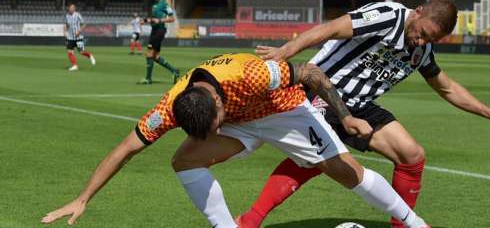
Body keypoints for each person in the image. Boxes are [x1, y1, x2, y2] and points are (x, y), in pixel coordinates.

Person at [41, 53, 431, 228]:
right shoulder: (168, 109)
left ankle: (413, 223)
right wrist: (83, 197)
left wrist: (345, 117)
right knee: (184, 160)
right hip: (241, 124)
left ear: (216, 102)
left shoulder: (251, 74)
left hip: (285, 111)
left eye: (214, 124)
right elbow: (125, 149)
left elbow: (311, 73)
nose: (213, 132)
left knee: (346, 172)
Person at [237, 0, 490, 228]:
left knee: (412, 156)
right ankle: (249, 220)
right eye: (423, 33)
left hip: (361, 105)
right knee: (314, 160)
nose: (422, 41)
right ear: (418, 12)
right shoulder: (388, 15)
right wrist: (286, 51)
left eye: (432, 40)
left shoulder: (421, 51)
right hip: (322, 91)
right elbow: (331, 28)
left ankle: (402, 223)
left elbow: (447, 88)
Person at [138, 0, 179, 84]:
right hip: (154, 30)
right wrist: (145, 20)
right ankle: (174, 71)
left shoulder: (164, 4)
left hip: (160, 30)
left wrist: (160, 20)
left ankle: (148, 79)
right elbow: (154, 19)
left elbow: (172, 18)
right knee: (155, 56)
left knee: (149, 53)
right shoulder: (154, 6)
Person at [64, 3, 96, 71]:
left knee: (81, 52)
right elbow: (67, 25)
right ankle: (75, 66)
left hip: (78, 37)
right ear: (69, 9)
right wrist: (65, 31)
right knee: (70, 52)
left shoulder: (78, 15)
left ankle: (90, 56)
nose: (72, 9)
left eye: (73, 8)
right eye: (70, 8)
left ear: (74, 9)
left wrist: (79, 31)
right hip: (71, 38)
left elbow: (84, 24)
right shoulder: (67, 16)